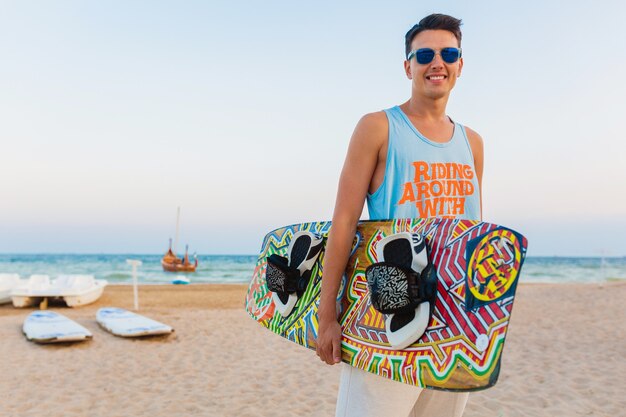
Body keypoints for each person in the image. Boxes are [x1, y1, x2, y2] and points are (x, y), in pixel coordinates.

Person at [315, 14, 483, 417]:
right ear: (408, 66)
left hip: (455, 322)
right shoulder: (378, 127)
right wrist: (327, 313)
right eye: (424, 54)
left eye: (448, 53)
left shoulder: (472, 143)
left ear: (461, 64)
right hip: (388, 313)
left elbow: (474, 234)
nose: (436, 62)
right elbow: (344, 223)